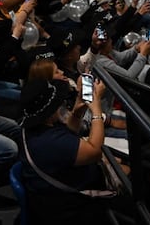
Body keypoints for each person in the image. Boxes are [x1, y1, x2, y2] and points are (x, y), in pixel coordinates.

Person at [18, 77, 115, 224]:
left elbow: (68, 133)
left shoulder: (35, 128)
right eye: (58, 102)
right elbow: (95, 152)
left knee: (118, 162)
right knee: (130, 172)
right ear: (50, 111)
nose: (62, 103)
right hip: (69, 204)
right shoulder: (49, 141)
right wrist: (96, 109)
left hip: (58, 185)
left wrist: (77, 110)